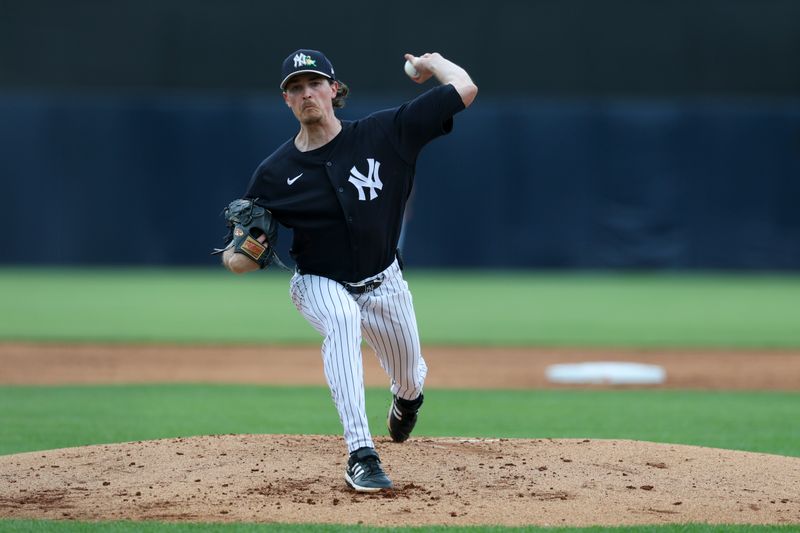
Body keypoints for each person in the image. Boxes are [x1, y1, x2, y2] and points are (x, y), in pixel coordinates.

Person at [221, 48, 477, 492]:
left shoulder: (386, 132)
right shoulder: (274, 174)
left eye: (315, 83)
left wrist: (432, 62)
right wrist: (238, 256)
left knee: (410, 376)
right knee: (342, 321)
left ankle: (406, 402)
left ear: (334, 89)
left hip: (385, 282)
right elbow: (238, 258)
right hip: (318, 281)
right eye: (295, 88)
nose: (306, 94)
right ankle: (361, 454)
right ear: (286, 100)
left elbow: (464, 89)